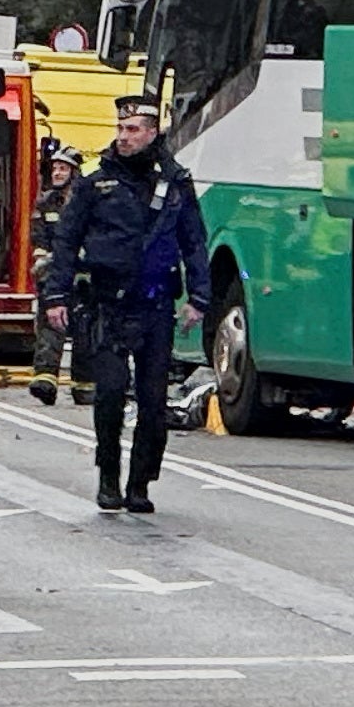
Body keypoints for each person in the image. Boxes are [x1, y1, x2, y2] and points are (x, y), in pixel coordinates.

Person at [46, 93, 210, 514]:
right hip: (107, 305)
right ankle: (108, 478)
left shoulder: (175, 183)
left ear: (152, 133)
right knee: (110, 394)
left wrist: (199, 299)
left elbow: (194, 242)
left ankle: (140, 483)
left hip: (156, 306)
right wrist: (56, 295)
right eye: (120, 128)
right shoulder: (96, 182)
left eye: (133, 129)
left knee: (153, 403)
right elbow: (66, 240)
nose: (124, 136)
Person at [24, 139, 80, 405]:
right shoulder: (46, 203)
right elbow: (39, 239)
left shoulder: (85, 202)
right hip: (54, 274)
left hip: (83, 275)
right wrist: (44, 263)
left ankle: (85, 386)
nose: (57, 173)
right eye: (55, 168)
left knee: (86, 329)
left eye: (63, 168)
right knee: (50, 326)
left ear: (74, 173)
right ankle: (45, 381)